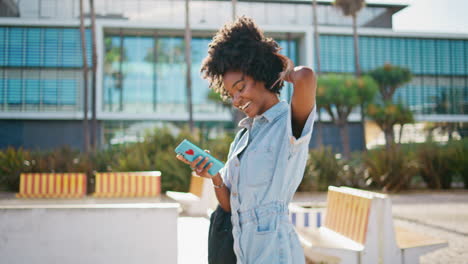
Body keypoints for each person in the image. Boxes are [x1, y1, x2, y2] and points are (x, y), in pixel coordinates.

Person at [176, 16, 316, 264]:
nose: (237, 100)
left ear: (259, 72)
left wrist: (282, 69)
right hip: (243, 251)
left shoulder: (287, 124)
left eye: (240, 87)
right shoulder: (243, 137)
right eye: (231, 94)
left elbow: (306, 77)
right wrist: (215, 177)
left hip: (275, 252)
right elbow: (230, 206)